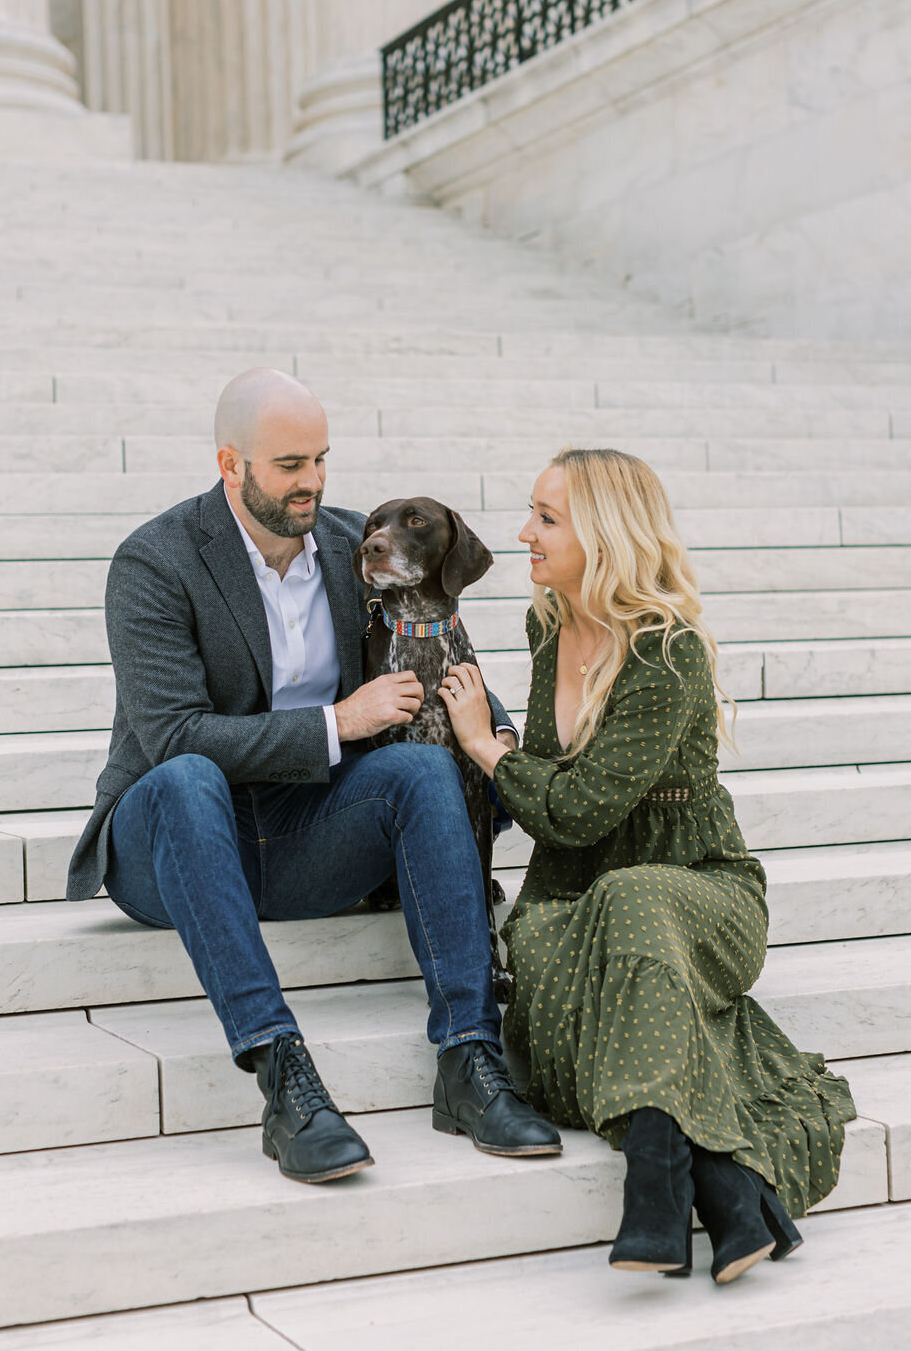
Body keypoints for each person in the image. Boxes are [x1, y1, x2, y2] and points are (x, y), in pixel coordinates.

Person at [66, 368, 561, 1186]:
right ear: (233, 465)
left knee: (422, 767)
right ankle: (283, 1075)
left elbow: (424, 652)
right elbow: (172, 734)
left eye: (321, 460)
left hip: (302, 836)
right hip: (170, 841)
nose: (315, 482)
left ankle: (469, 1059)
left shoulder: (346, 546)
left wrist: (495, 730)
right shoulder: (154, 562)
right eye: (291, 464)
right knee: (190, 776)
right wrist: (341, 723)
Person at [438, 446, 855, 1283]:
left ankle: (655, 1190)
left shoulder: (668, 654)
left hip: (703, 893)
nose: (524, 533)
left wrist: (489, 750)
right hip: (574, 897)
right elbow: (566, 797)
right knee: (570, 949)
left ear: (604, 533)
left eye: (547, 518)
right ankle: (730, 1196)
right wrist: (527, 765)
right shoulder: (547, 623)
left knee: (632, 900)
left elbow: (576, 808)